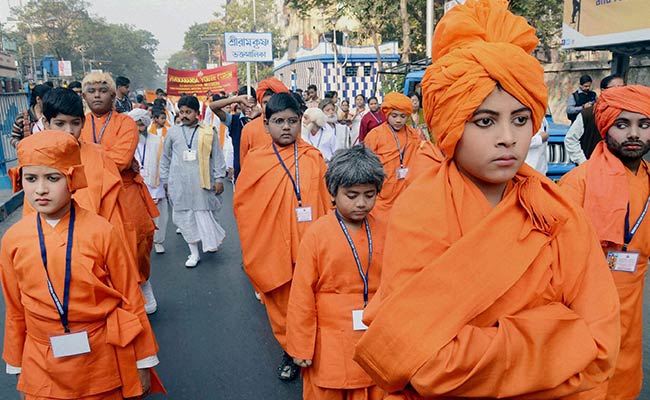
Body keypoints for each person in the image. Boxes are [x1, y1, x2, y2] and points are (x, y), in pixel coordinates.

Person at [353, 1, 620, 398]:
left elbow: (599, 346)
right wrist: (556, 337)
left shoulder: (557, 213)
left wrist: (484, 347)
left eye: (519, 118)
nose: (508, 137)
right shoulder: (421, 209)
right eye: (484, 121)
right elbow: (420, 362)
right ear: (449, 123)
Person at [1, 131, 164, 399]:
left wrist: (143, 362)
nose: (40, 189)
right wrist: (20, 367)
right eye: (31, 178)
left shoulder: (102, 231)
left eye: (53, 178)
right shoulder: (13, 240)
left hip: (100, 358)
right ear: (20, 180)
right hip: (42, 363)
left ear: (73, 178)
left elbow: (130, 298)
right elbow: (15, 309)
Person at [559, 85, 650, 400]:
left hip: (631, 310)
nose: (634, 134)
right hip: (585, 312)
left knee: (623, 381)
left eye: (644, 124)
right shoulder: (577, 183)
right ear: (605, 125)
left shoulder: (649, 181)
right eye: (622, 125)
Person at [233, 93, 330, 381]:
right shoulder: (256, 161)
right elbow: (244, 208)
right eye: (278, 121)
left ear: (301, 122)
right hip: (273, 247)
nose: (286, 127)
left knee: (314, 303)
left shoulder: (314, 158)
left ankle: (315, 350)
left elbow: (327, 201)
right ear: (266, 126)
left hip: (311, 244)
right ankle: (290, 352)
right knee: (283, 307)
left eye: (292, 121)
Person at [287, 144, 387, 400]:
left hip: (375, 333)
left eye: (369, 194)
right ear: (333, 193)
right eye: (351, 195)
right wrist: (300, 347)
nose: (361, 203)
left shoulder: (388, 229)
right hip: (329, 341)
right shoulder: (317, 234)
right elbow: (301, 295)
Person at [80, 72, 160, 288]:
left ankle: (143, 285)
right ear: (84, 97)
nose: (97, 95)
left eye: (103, 91)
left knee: (137, 243)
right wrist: (104, 154)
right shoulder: (78, 124)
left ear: (113, 96)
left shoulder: (126, 123)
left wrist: (87, 155)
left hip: (125, 191)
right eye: (91, 91)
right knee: (96, 246)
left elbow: (121, 160)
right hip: (88, 194)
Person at [160, 95, 227, 268]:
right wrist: (165, 179)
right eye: (181, 112)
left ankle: (210, 240)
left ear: (197, 113)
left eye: (188, 112)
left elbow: (217, 157)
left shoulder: (208, 131)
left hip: (203, 184)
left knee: (206, 213)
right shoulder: (173, 132)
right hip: (179, 183)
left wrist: (219, 178)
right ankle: (194, 253)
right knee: (185, 218)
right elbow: (165, 158)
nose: (184, 115)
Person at [363, 92, 422, 219]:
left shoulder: (414, 135)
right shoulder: (375, 135)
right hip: (382, 195)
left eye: (403, 116)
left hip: (407, 192)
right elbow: (365, 165)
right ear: (387, 114)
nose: (398, 120)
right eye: (394, 116)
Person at [565, 74, 625, 164]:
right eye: (616, 88)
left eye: (623, 88)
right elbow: (571, 139)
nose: (621, 91)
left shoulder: (628, 114)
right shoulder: (588, 113)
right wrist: (583, 162)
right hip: (594, 167)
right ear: (604, 91)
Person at [209, 86, 260, 179]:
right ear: (239, 104)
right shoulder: (233, 120)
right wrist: (235, 99)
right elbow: (213, 107)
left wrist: (260, 111)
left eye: (251, 103)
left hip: (259, 171)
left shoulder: (263, 119)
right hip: (241, 171)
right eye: (244, 103)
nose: (249, 107)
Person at [239, 78, 290, 169]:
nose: (270, 106)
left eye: (273, 101)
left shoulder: (292, 127)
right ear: (260, 103)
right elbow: (245, 164)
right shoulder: (249, 129)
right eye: (265, 102)